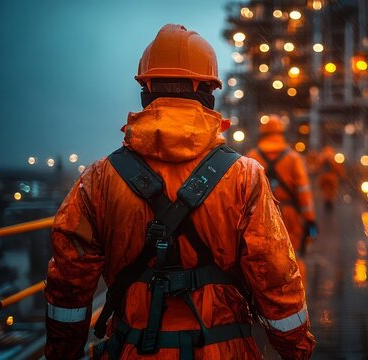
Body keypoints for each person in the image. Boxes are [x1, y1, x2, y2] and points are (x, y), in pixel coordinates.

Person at [44, 24, 315, 360]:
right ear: (208, 91)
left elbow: (69, 281)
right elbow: (274, 275)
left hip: (132, 348)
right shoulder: (244, 175)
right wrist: (296, 348)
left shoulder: (100, 178)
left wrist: (63, 351)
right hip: (222, 350)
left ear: (145, 89)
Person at [246, 116, 317, 280]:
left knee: (263, 261)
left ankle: (267, 300)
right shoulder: (293, 158)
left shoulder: (252, 156)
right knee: (293, 258)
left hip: (261, 216)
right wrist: (310, 219)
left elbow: (246, 192)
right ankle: (296, 301)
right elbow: (303, 192)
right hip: (288, 215)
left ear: (262, 133)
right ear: (281, 133)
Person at [317, 146, 345, 211]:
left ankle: (327, 201)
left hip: (325, 178)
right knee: (330, 192)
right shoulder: (334, 159)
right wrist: (342, 175)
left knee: (327, 191)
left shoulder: (322, 158)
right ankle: (328, 202)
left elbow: (318, 167)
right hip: (331, 178)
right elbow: (339, 169)